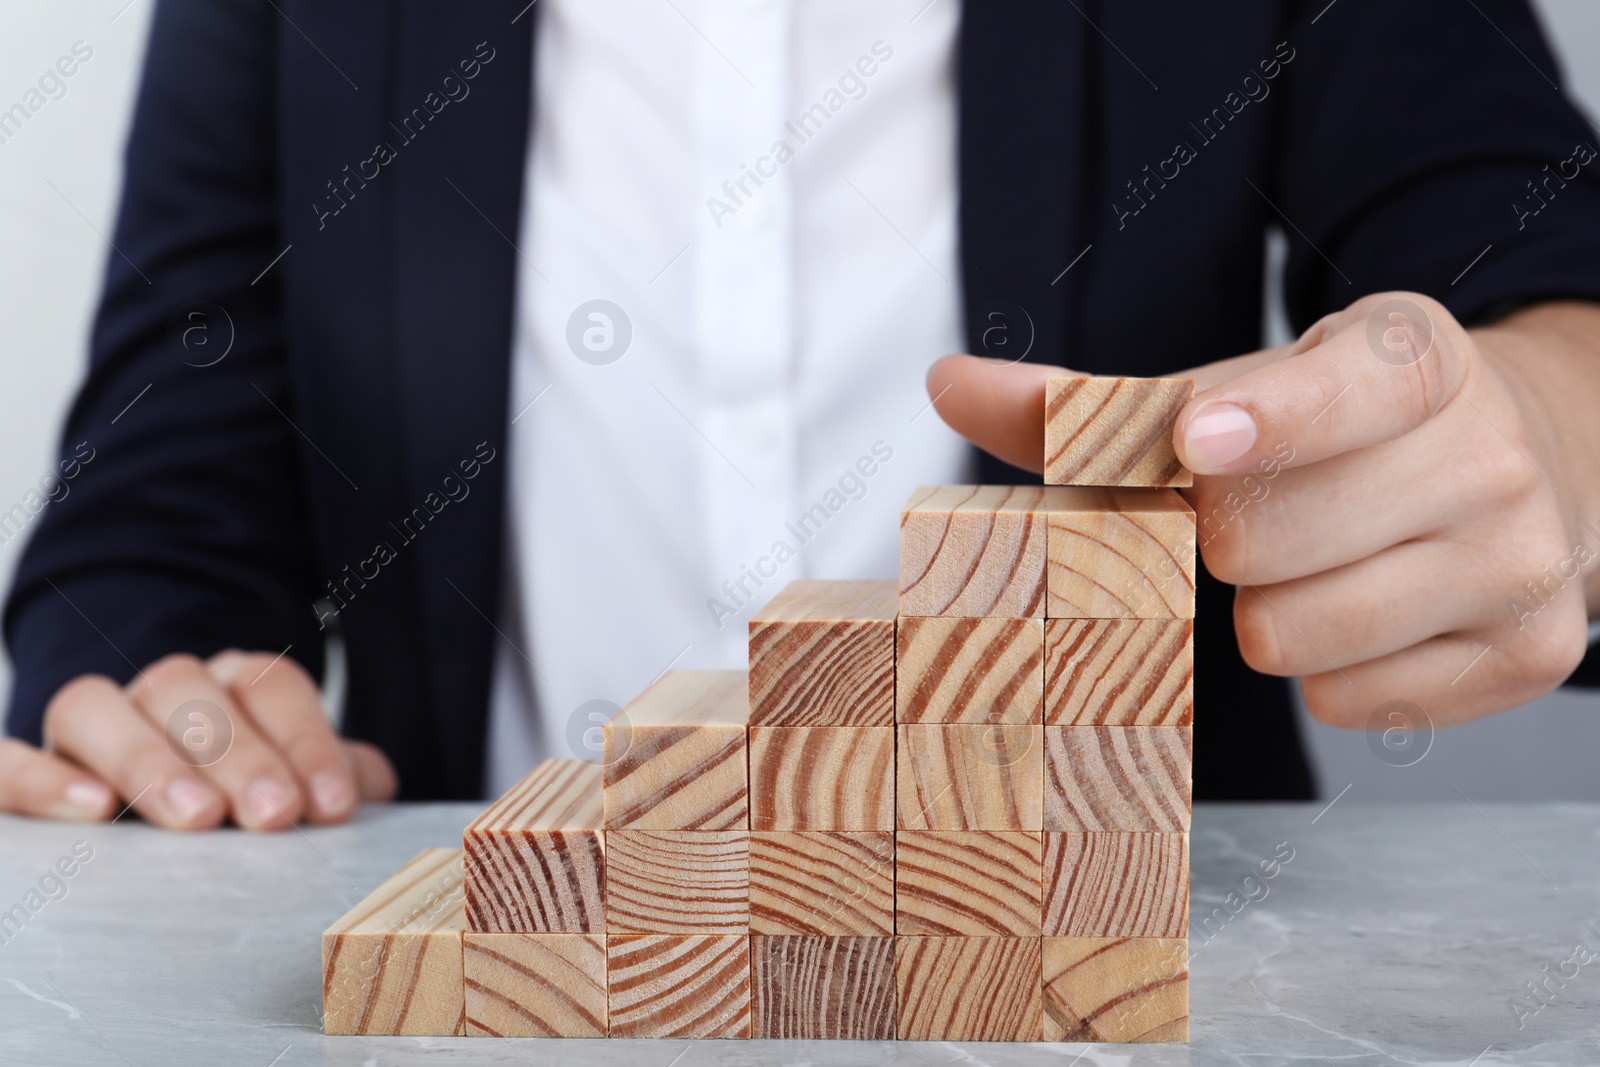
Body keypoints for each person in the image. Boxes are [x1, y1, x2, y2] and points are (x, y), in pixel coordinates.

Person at [3, 0, 1599, 829]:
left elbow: (1539, 282)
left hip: (1105, 973)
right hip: (510, 986)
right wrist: (166, 702)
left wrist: (1551, 434)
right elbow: (162, 501)